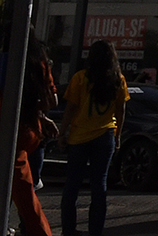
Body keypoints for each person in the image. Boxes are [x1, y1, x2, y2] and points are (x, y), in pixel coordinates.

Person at [61, 40, 126, 236]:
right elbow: (121, 110)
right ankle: (95, 230)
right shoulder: (118, 80)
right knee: (99, 185)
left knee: (72, 184)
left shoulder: (81, 78)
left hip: (79, 137)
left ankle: (68, 229)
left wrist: (62, 132)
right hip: (105, 135)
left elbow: (71, 107)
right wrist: (118, 135)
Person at [10, 35, 55, 236]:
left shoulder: (6, 58)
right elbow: (50, 99)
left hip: (11, 128)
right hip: (26, 130)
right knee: (27, 197)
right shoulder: (39, 64)